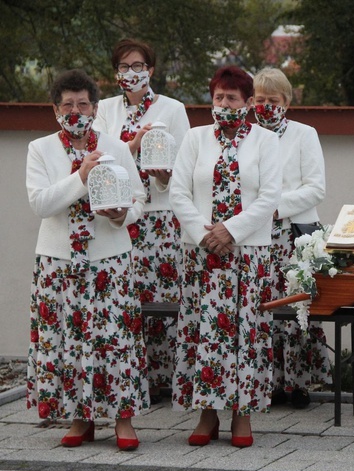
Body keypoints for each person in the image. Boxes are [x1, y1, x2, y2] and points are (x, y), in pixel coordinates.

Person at [26, 69, 148, 450]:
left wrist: (121, 216)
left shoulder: (114, 145)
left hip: (108, 260)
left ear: (95, 108)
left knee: (115, 339)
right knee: (70, 339)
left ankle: (123, 419)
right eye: (67, 104)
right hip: (59, 262)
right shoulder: (40, 149)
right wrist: (80, 176)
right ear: (55, 109)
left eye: (82, 104)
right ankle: (81, 418)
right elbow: (41, 203)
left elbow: (140, 200)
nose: (75, 110)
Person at [169, 66, 281, 448]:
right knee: (204, 333)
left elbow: (269, 196)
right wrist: (206, 233)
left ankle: (242, 414)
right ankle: (207, 413)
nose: (224, 104)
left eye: (232, 98)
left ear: (248, 103)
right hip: (202, 253)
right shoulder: (195, 138)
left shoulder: (266, 141)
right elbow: (179, 192)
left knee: (244, 333)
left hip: (248, 254)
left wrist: (231, 230)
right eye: (219, 97)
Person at [94, 38, 190, 405]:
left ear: (151, 70)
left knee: (163, 295)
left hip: (161, 216)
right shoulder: (103, 109)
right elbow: (99, 156)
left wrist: (162, 172)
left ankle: (165, 377)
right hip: (119, 214)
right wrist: (133, 146)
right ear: (115, 72)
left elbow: (183, 169)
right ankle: (132, 375)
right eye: (123, 67)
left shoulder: (173, 108)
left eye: (138, 66)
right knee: (126, 294)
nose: (130, 73)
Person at [251, 67, 330, 409]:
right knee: (261, 306)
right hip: (254, 233)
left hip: (294, 233)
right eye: (260, 99)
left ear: (286, 102)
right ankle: (265, 382)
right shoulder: (246, 135)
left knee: (295, 306)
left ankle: (297, 383)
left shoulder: (303, 134)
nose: (266, 106)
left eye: (273, 100)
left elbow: (316, 188)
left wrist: (275, 208)